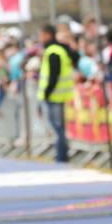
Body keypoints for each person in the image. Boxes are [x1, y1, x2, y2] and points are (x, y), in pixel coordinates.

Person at [38, 24, 75, 163]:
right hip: (57, 95)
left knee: (58, 128)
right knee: (59, 128)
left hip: (55, 96)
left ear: (48, 35)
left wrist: (47, 93)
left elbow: (54, 75)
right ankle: (61, 155)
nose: (39, 38)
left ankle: (61, 157)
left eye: (41, 35)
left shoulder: (54, 51)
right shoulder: (56, 49)